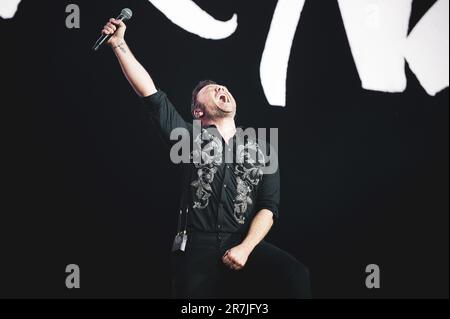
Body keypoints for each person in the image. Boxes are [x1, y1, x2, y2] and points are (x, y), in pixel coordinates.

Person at [101, 18, 311, 299]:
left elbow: (268, 208)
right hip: (197, 248)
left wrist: (246, 248)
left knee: (295, 274)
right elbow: (151, 94)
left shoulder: (262, 147)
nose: (221, 90)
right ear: (198, 111)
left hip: (241, 244)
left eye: (223, 88)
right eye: (212, 91)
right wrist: (119, 44)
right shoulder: (187, 138)